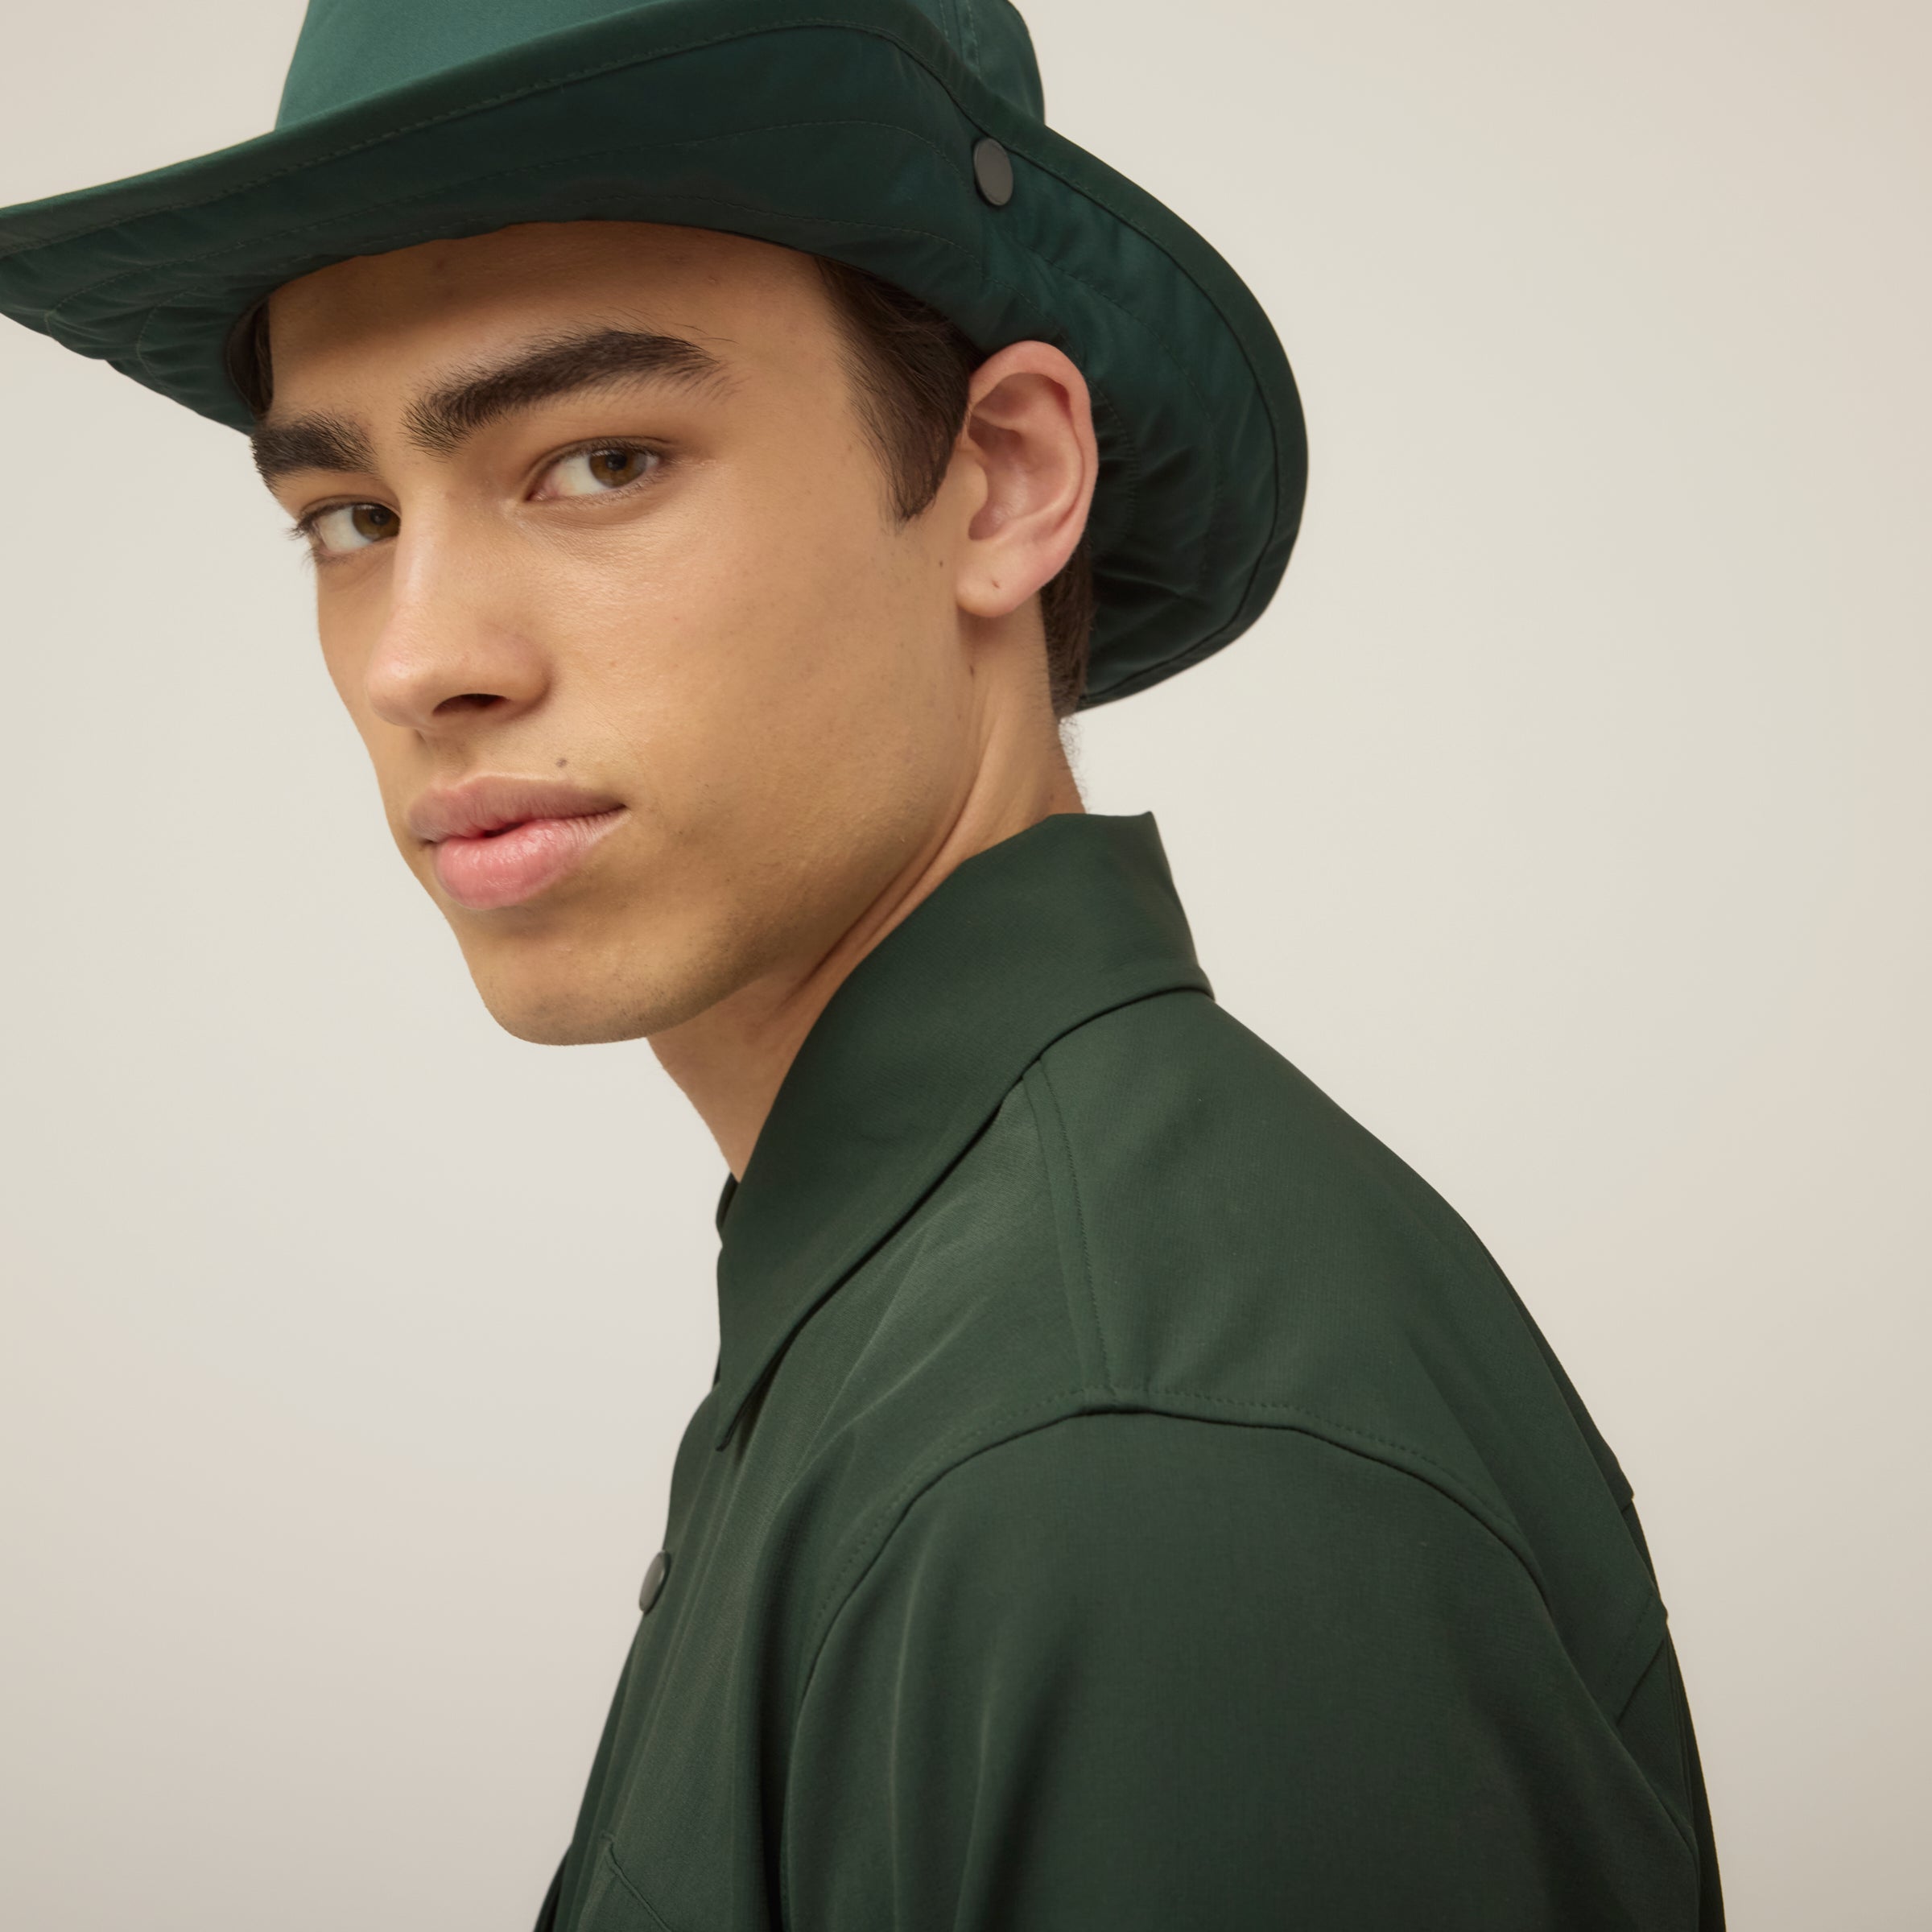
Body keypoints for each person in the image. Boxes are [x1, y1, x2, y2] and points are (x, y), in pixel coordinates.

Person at [0, 0, 1724, 1926]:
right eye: (348, 517)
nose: (419, 659)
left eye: (599, 462)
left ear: (1001, 480)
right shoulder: (948, 1304)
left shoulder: (1117, 1465)